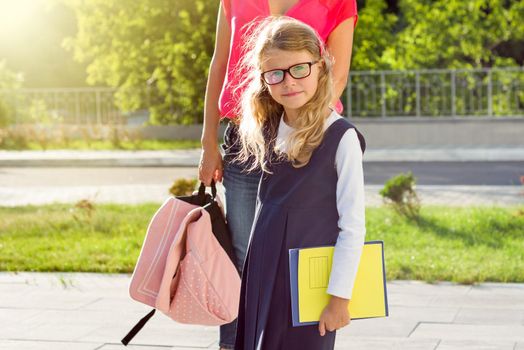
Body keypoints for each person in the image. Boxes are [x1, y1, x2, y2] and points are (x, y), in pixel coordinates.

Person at [198, 1, 359, 349]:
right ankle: (237, 341)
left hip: (308, 139)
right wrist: (208, 140)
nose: (288, 79)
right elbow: (220, 62)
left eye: (299, 69)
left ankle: (296, 334)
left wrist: (306, 128)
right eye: (276, 75)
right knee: (247, 252)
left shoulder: (338, 3)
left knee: (301, 250)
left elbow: (339, 71)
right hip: (248, 137)